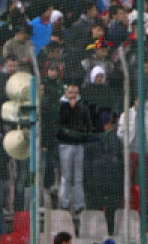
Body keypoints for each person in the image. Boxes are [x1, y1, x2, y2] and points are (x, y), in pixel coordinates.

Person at [57, 82, 92, 215]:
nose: (73, 95)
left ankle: (79, 204)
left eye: (75, 93)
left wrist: (83, 135)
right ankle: (64, 203)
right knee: (66, 176)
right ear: (66, 93)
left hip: (79, 145)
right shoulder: (61, 106)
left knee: (78, 177)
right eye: (70, 93)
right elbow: (60, 122)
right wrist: (70, 109)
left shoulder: (82, 106)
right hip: (65, 144)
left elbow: (87, 123)